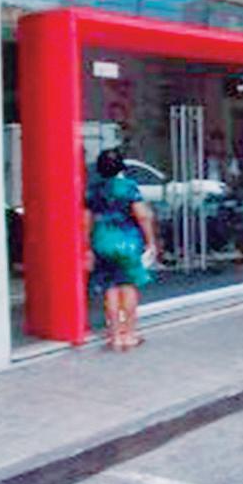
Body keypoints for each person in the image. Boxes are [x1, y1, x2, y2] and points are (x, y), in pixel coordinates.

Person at [85, 148, 158, 351]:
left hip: (102, 241)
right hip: (127, 241)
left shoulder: (93, 190)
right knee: (128, 286)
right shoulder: (128, 187)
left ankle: (115, 337)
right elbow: (142, 215)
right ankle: (129, 334)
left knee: (110, 288)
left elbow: (86, 220)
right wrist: (151, 241)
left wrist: (87, 246)